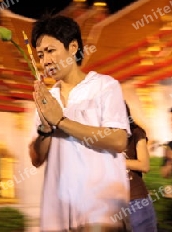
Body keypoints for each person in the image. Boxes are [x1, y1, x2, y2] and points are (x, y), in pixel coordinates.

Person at [29, 14, 130, 231]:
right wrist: (45, 129)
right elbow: (36, 159)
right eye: (40, 54)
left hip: (99, 209)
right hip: (57, 211)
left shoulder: (104, 86)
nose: (45, 60)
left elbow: (118, 139)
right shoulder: (46, 98)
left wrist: (62, 121)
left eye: (50, 50)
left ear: (73, 47)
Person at [123, 103, 157, 231]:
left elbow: (144, 165)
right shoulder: (102, 137)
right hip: (111, 202)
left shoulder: (136, 133)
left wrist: (116, 163)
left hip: (135, 199)